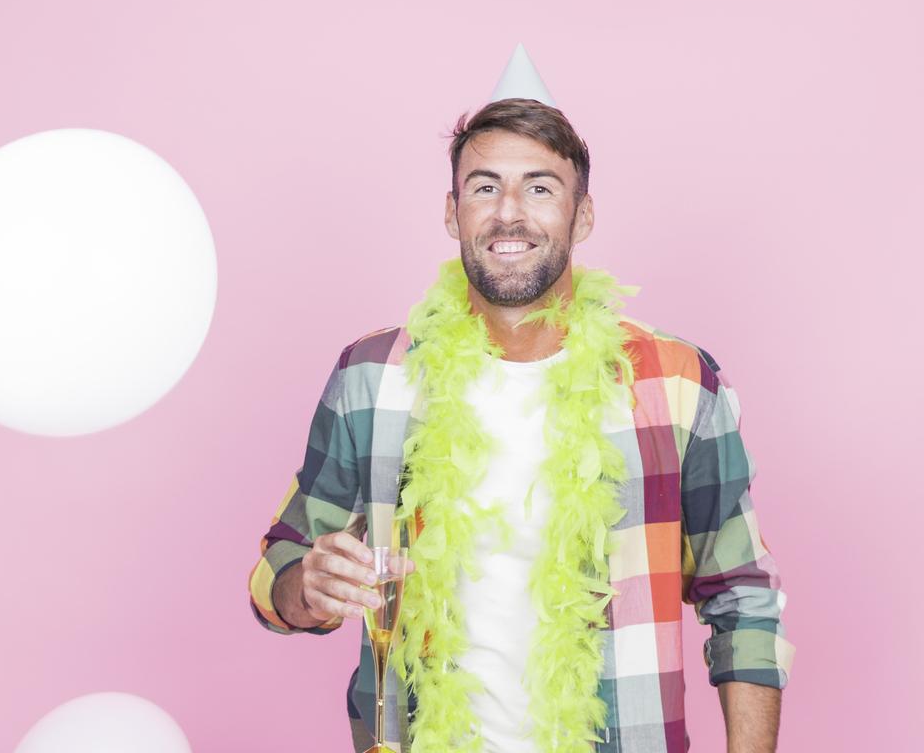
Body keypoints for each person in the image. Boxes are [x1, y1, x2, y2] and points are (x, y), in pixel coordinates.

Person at [247, 98, 794, 753]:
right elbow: (280, 567)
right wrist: (304, 588)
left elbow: (743, 598)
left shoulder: (675, 382)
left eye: (539, 186)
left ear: (582, 214)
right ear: (452, 212)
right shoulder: (373, 377)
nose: (509, 212)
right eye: (485, 187)